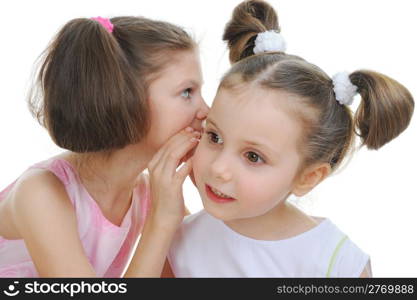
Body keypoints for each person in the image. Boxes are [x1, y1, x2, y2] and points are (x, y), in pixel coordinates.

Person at [167, 0, 414, 277]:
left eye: (253, 156)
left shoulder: (336, 264)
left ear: (307, 177)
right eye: (214, 137)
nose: (218, 168)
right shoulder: (181, 239)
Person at [0, 15, 208, 277]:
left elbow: (200, 269)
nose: (205, 110)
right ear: (127, 100)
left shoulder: (146, 194)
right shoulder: (40, 193)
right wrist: (161, 221)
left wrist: (208, 189)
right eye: (187, 92)